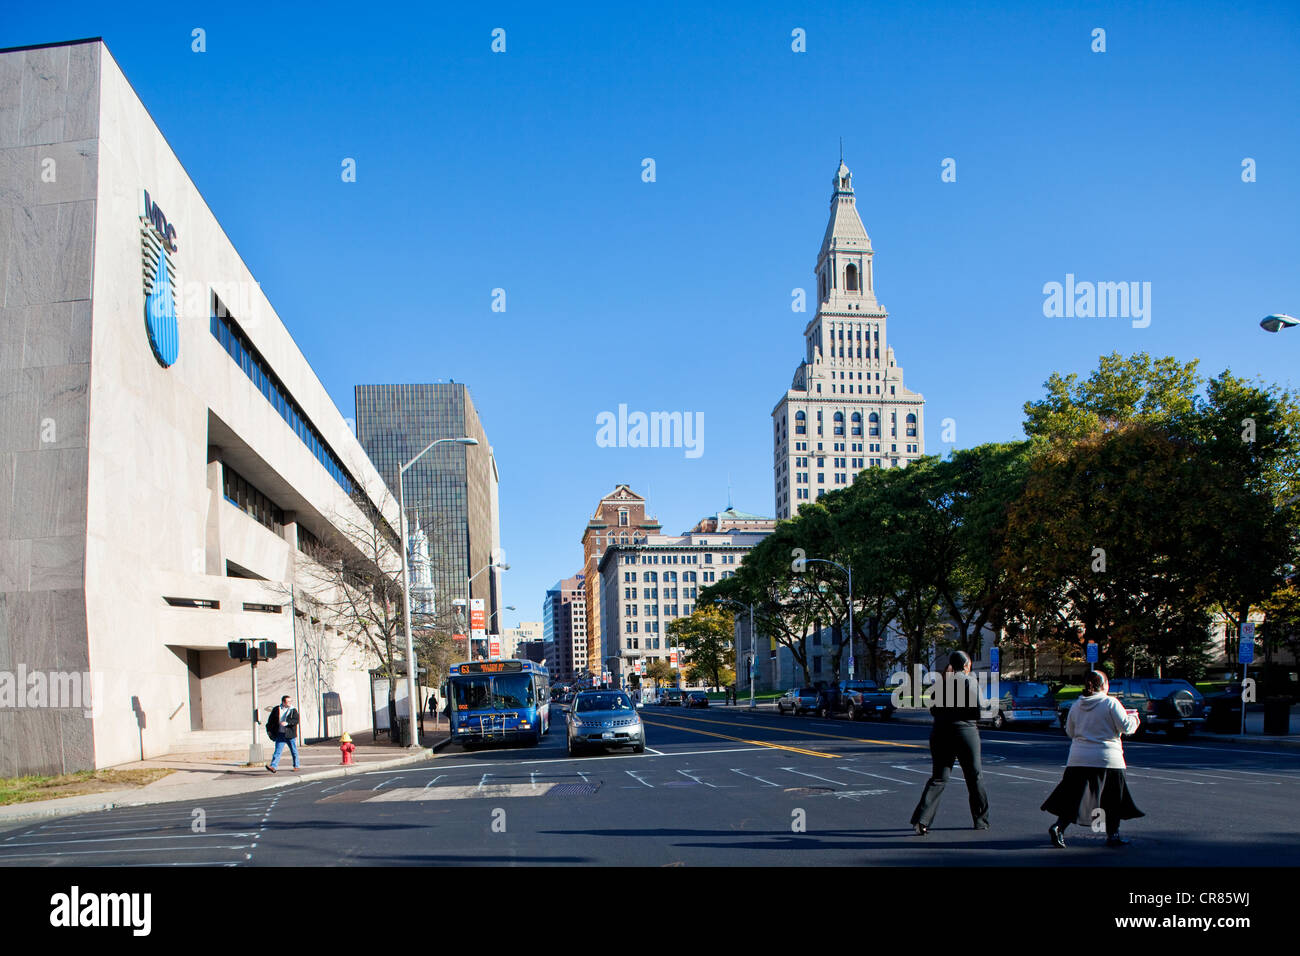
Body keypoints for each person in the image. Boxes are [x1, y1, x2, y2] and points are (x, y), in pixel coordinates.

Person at [1042, 669, 1142, 847]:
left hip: (1078, 758)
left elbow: (1070, 731)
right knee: (1112, 798)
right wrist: (1134, 717)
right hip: (1107, 758)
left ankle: (1059, 826)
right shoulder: (1111, 703)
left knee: (1075, 798)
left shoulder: (1076, 705)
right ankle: (1113, 834)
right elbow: (1126, 727)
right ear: (1104, 685)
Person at [909, 651, 991, 834]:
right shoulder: (970, 681)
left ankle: (922, 821)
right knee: (974, 776)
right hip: (965, 732)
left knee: (938, 777)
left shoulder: (941, 684)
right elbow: (979, 710)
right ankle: (981, 820)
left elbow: (933, 710)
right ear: (966, 664)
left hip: (940, 732)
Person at [265, 695, 300, 773]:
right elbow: (270, 721)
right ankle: (273, 766)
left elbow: (296, 720)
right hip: (280, 734)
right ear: (283, 702)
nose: (290, 703)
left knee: (293, 750)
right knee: (277, 751)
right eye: (288, 701)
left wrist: (287, 723)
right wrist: (269, 730)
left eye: (291, 701)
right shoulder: (276, 709)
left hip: (290, 734)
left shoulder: (293, 710)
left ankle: (296, 766)